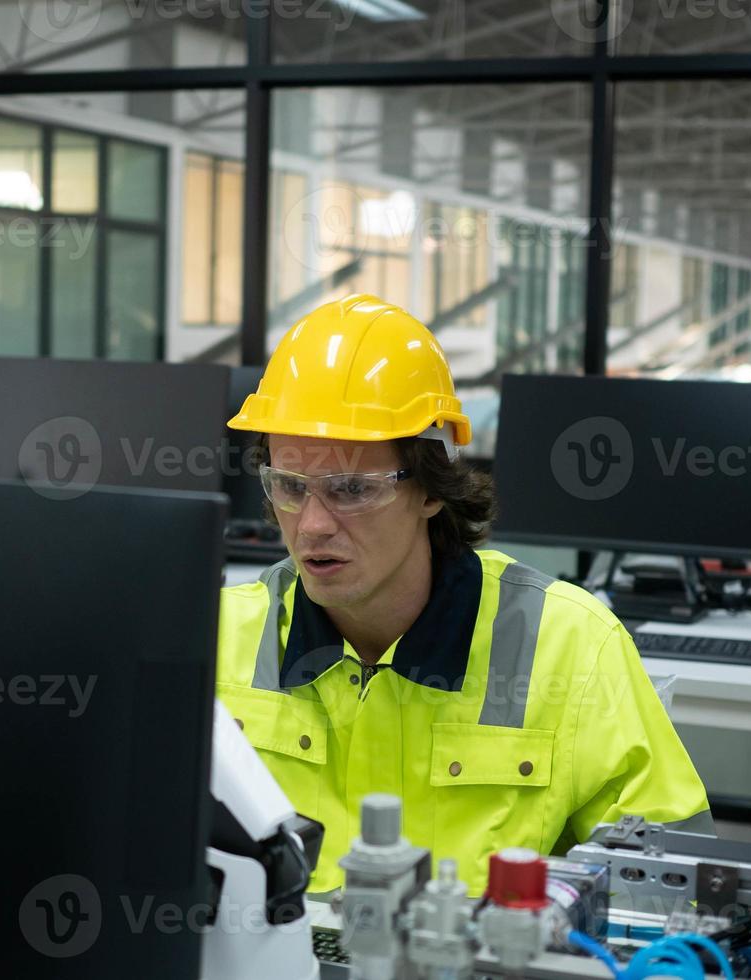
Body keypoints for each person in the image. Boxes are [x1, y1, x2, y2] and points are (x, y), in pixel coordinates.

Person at [217, 293, 711, 894]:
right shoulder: (216, 640)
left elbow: (669, 882)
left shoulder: (571, 646)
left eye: (351, 488)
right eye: (290, 486)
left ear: (431, 488)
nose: (312, 524)